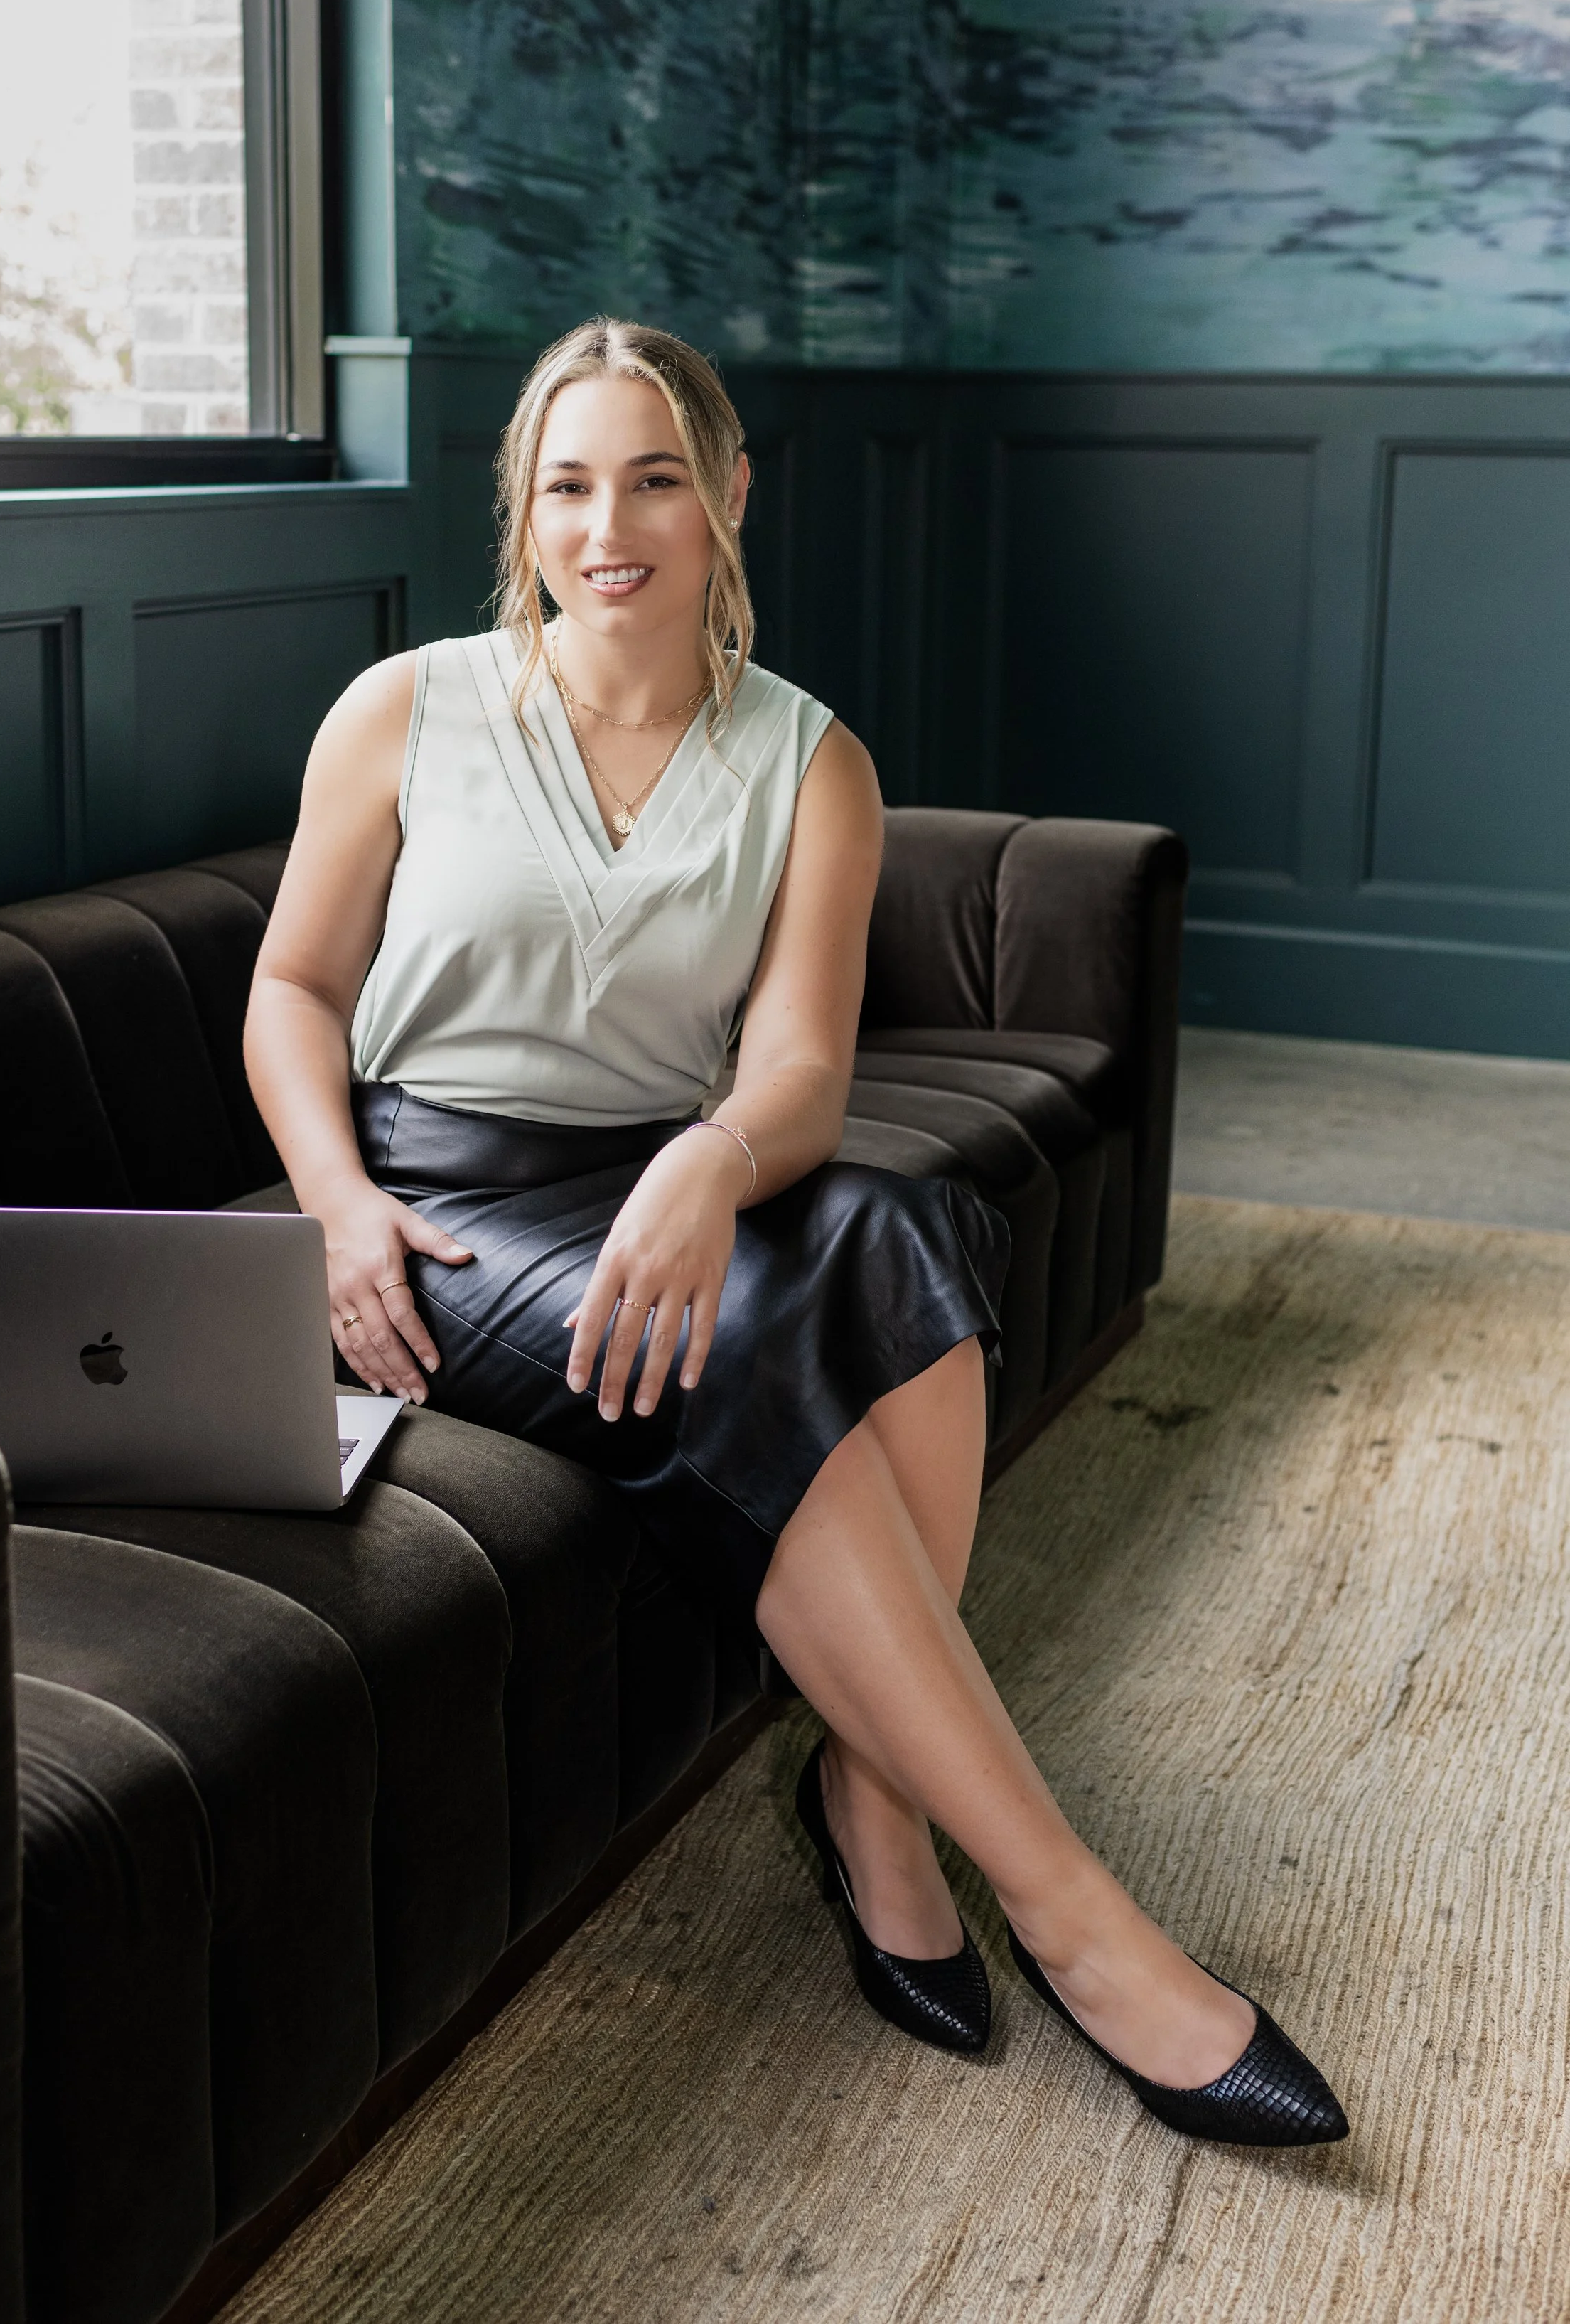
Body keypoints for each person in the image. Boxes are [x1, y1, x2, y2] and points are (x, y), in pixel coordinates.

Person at [244, 316, 1347, 2147]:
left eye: (658, 477)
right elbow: (290, 987)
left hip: (660, 1175)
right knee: (744, 1345)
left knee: (903, 1237)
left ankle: (873, 1791)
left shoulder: (805, 760)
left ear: (729, 494)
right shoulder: (405, 711)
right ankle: (1080, 1926)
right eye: (571, 482)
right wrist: (339, 1203)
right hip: (434, 1208)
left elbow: (804, 1076)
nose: (613, 525)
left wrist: (703, 1160)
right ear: (521, 507)